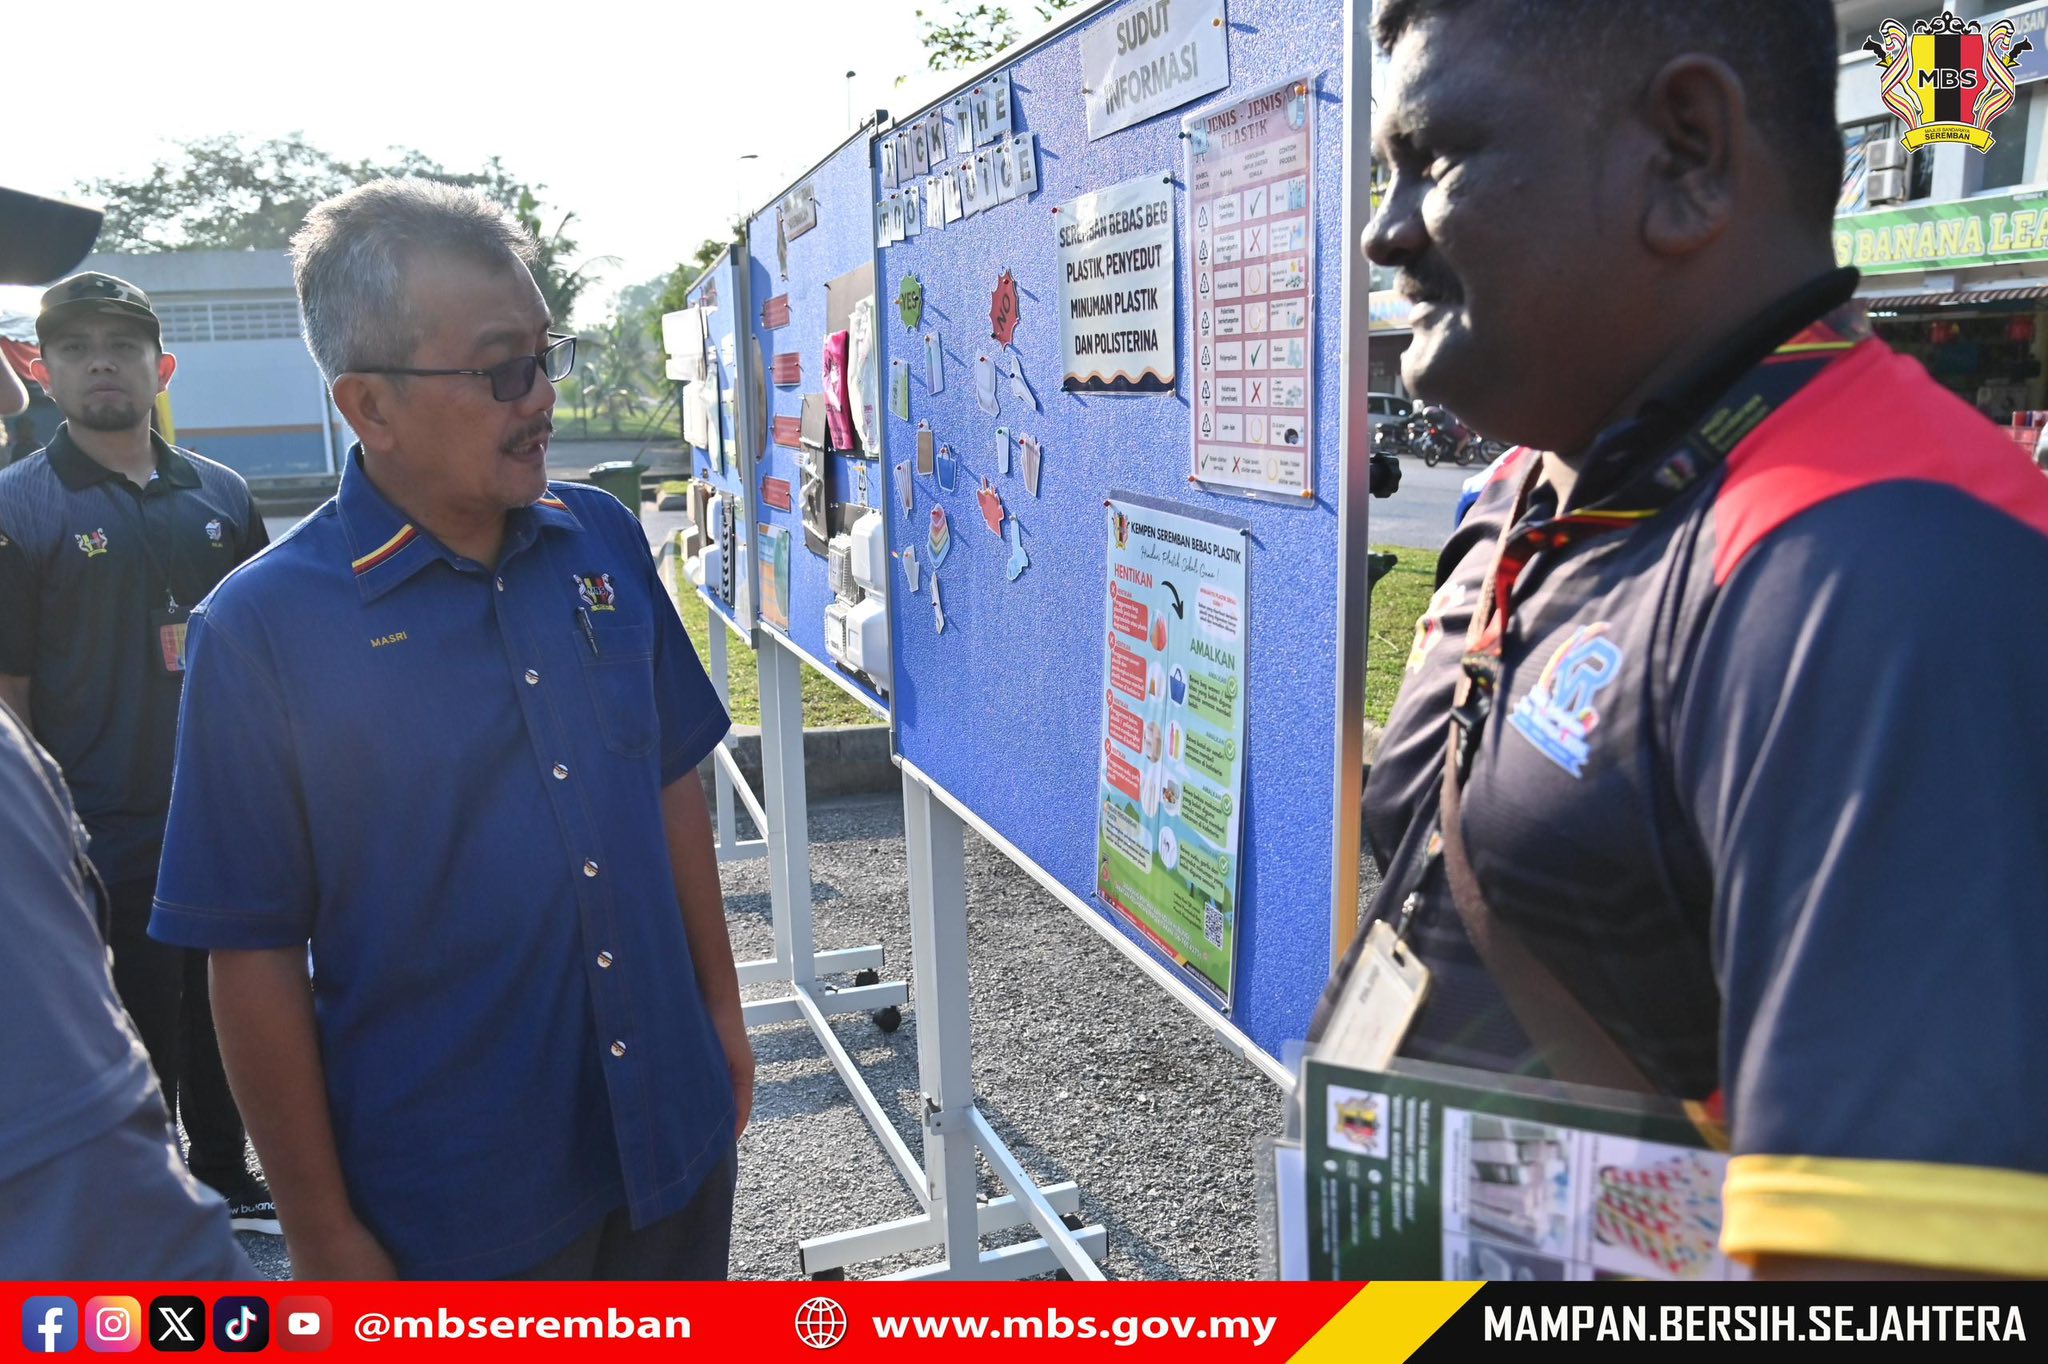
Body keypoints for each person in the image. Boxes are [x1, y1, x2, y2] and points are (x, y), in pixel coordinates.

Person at [1334, 0, 2048, 1278]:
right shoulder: (1523, 485)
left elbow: (1892, 1294)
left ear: (1686, 152)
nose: (1384, 230)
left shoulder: (1885, 567)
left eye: (1433, 159)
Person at [150, 179, 752, 1281]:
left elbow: (671, 782)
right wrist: (322, 1229)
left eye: (544, 352)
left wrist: (720, 1013)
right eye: (500, 368)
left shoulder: (601, 540)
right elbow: (250, 951)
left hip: (670, 1141)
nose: (542, 399)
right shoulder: (263, 631)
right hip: (462, 1211)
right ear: (368, 406)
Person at [0, 181, 253, 1281]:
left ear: (164, 368)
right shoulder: (18, 510)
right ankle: (160, 1204)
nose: (102, 364)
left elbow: (259, 659)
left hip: (230, 803)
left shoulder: (222, 492)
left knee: (239, 998)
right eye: (77, 348)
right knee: (133, 1015)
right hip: (102, 820)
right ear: (39, 368)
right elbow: (9, 693)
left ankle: (236, 1169)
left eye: (123, 346)